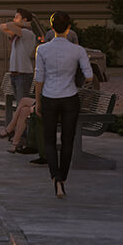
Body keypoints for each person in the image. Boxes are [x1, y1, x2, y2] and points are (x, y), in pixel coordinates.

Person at [34, 11, 92, 199]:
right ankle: (63, 179)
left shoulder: (42, 50)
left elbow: (39, 78)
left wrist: (38, 101)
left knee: (49, 140)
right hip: (70, 97)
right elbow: (89, 76)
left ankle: (55, 177)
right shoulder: (78, 50)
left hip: (49, 96)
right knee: (68, 140)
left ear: (51, 27)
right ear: (69, 27)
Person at [0, 8, 37, 103]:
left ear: (24, 19)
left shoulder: (28, 33)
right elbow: (2, 27)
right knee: (19, 103)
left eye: (17, 17)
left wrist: (24, 25)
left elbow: (9, 25)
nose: (14, 20)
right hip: (15, 74)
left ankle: (24, 118)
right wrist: (22, 24)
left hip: (23, 74)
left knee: (22, 103)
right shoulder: (17, 35)